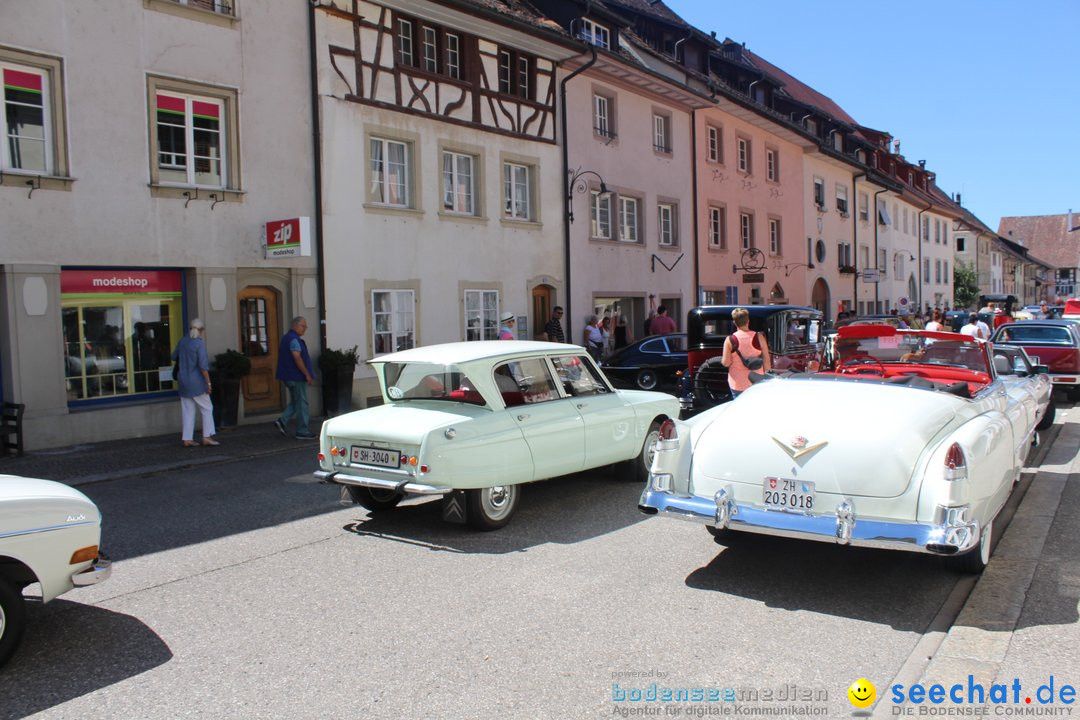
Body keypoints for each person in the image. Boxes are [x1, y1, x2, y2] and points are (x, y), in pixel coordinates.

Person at [171, 318, 218, 447]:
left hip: (183, 380)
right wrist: (208, 383)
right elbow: (203, 366)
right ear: (201, 330)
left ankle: (187, 438)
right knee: (207, 408)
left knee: (188, 410)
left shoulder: (183, 341)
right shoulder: (199, 343)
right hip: (196, 381)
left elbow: (173, 356)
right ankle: (207, 436)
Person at [274, 316, 316, 440]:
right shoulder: (293, 340)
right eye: (303, 326)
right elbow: (297, 357)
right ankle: (302, 431)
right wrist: (307, 374)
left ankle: (282, 421)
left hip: (287, 376)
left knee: (296, 401)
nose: (305, 329)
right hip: (296, 377)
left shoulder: (286, 338)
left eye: (305, 327)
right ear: (295, 325)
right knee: (302, 403)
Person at [721, 307, 771, 399]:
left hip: (737, 383)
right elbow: (766, 361)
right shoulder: (759, 337)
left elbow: (726, 363)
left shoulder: (730, 340)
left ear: (734, 323)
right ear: (748, 321)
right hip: (756, 382)